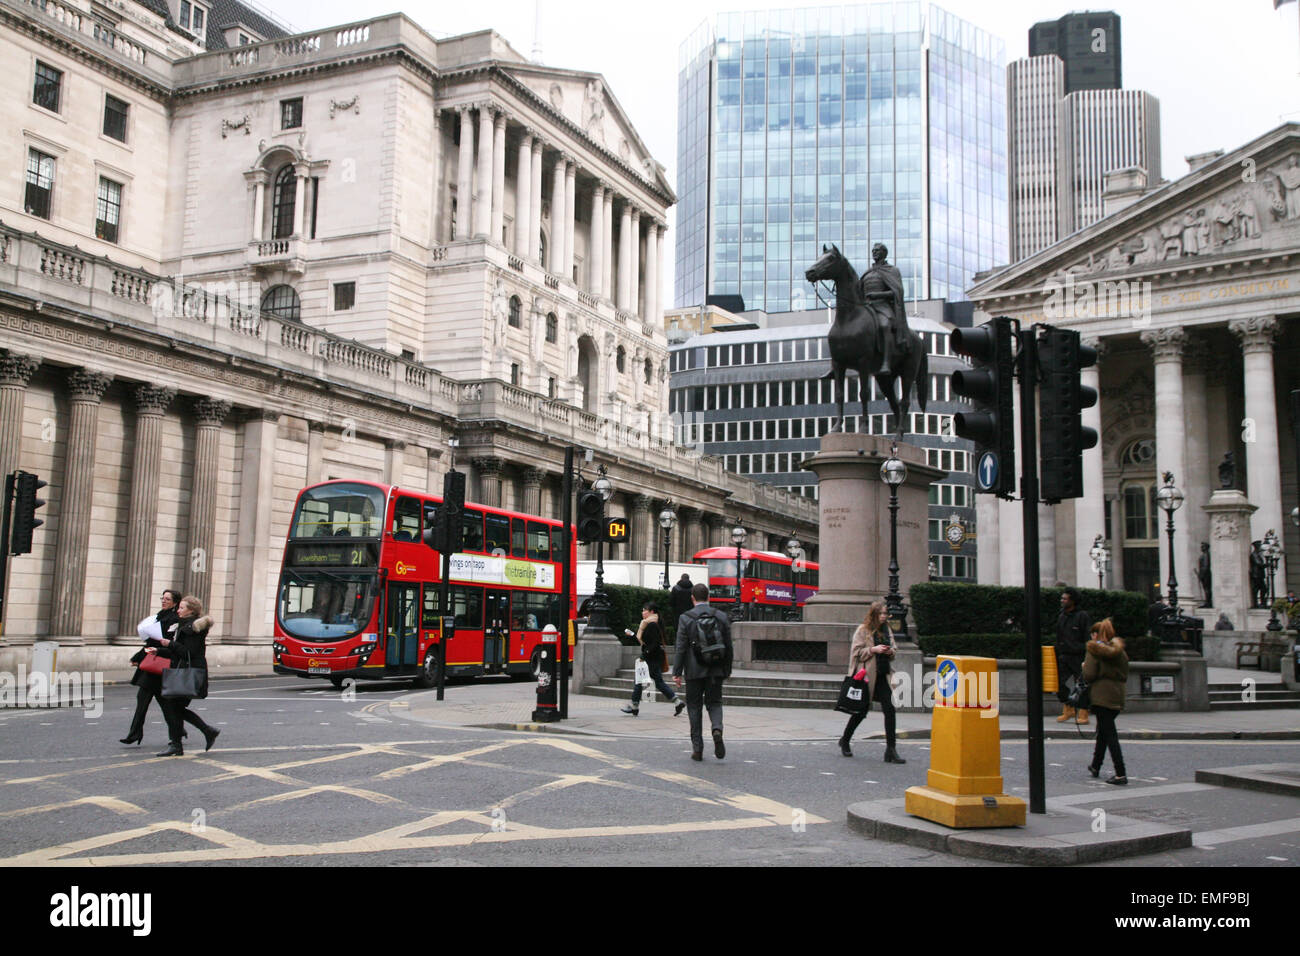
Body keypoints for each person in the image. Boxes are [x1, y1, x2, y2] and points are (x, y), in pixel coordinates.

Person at [151, 595, 220, 757]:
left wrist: (170, 644)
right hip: (182, 670)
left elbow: (188, 652)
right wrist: (159, 651)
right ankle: (204, 732)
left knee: (173, 707)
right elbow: (178, 652)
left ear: (191, 610)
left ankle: (180, 743)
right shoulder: (183, 625)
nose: (178, 610)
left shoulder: (194, 628)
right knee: (175, 707)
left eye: (182, 608)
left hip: (190, 672)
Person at [838, 601, 905, 763]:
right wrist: (873, 650)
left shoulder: (886, 629)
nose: (883, 617)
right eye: (880, 614)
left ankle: (891, 749)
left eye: (885, 613)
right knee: (861, 712)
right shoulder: (863, 630)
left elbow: (894, 649)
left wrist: (890, 651)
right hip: (867, 677)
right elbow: (856, 653)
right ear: (873, 614)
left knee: (890, 710)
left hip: (883, 675)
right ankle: (845, 740)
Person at [672, 583, 733, 761]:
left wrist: (677, 671)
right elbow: (728, 646)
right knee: (715, 703)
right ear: (709, 597)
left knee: (694, 707)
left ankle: (697, 749)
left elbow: (681, 648)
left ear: (692, 598)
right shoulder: (721, 616)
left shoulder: (685, 618)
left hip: (693, 671)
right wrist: (727, 669)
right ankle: (716, 729)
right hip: (716, 670)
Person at [121, 589, 182, 746]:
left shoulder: (174, 620)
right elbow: (150, 643)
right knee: (147, 700)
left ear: (175, 603)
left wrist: (157, 644)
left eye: (167, 599)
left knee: (161, 703)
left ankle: (177, 733)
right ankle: (135, 733)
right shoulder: (158, 617)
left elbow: (169, 644)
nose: (164, 601)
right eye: (163, 598)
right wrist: (138, 658)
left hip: (160, 665)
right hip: (151, 663)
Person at [621, 600, 687, 717]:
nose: (642, 612)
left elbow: (653, 644)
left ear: (651, 611)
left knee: (640, 681)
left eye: (644, 610)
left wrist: (644, 654)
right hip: (654, 658)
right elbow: (646, 642)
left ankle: (634, 706)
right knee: (658, 682)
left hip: (650, 658)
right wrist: (633, 636)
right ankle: (677, 702)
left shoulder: (651, 624)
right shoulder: (651, 623)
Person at [1083, 618, 1129, 785]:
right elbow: (1125, 671)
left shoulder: (1094, 651)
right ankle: (1096, 765)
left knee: (1110, 734)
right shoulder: (1120, 652)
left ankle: (1120, 773)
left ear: (1096, 634)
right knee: (1103, 731)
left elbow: (1088, 675)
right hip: (1117, 694)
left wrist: (1084, 666)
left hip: (1101, 696)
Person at [1055, 587, 1092, 725]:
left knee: (1082, 685)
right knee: (1058, 684)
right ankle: (1068, 707)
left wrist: (1086, 654)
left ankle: (1083, 712)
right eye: (1062, 598)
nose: (1062, 600)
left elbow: (1087, 637)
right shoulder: (1062, 616)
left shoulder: (1082, 616)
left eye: (1065, 598)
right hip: (1064, 656)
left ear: (1073, 601)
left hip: (1079, 656)